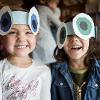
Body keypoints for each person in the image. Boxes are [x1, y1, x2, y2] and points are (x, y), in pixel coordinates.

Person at [0, 5, 51, 100]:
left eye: (28, 32)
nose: (22, 38)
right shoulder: (1, 70)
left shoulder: (44, 71)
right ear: (2, 38)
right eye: (12, 32)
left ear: (36, 36)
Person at [51, 13, 100, 100]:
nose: (74, 39)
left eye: (80, 34)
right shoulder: (53, 73)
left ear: (90, 39)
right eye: (68, 35)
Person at [33, 0, 61, 65]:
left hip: (36, 40)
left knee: (40, 66)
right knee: (53, 64)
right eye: (50, 2)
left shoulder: (33, 9)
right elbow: (59, 24)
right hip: (47, 40)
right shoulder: (45, 9)